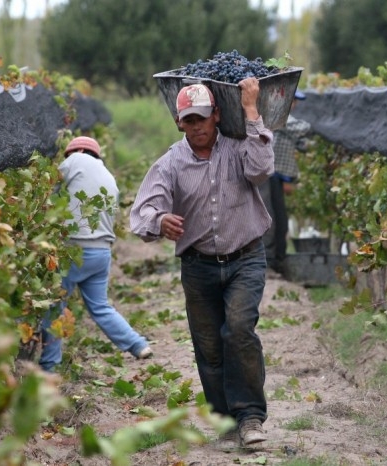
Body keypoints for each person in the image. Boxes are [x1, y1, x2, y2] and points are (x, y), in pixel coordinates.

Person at [129, 78, 273, 449]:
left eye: (203, 119)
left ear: (217, 116)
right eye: (189, 121)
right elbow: (142, 211)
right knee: (208, 347)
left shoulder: (239, 146)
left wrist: (252, 110)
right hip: (198, 266)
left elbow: (261, 170)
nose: (197, 127)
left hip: (246, 257)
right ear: (179, 123)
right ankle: (226, 422)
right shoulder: (170, 163)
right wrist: (160, 221)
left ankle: (251, 417)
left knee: (239, 329)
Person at [39, 136, 153, 372]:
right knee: (101, 306)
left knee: (53, 308)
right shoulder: (108, 176)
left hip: (75, 251)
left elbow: (48, 189)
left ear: (77, 150)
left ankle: (48, 367)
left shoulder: (75, 160)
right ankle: (137, 344)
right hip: (101, 253)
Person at [259, 90, 312, 275]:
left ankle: (277, 261)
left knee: (280, 220)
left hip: (277, 174)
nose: (295, 104)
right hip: (267, 173)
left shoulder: (283, 120)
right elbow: (300, 128)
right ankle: (268, 261)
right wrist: (322, 128)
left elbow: (302, 143)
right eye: (292, 99)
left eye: (296, 101)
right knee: (271, 219)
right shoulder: (275, 116)